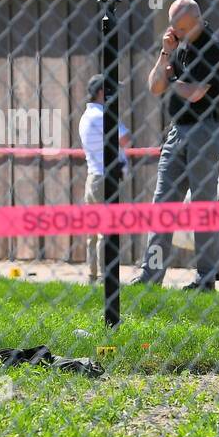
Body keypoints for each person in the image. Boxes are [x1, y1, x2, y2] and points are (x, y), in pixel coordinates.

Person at [131, 0, 219, 291]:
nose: (177, 33)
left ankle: (205, 279)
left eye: (181, 28)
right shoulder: (177, 48)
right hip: (177, 130)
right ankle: (151, 276)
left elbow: (197, 93)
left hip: (207, 129)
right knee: (163, 204)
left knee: (202, 205)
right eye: (174, 28)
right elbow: (154, 86)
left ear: (195, 21)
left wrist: (173, 80)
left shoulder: (215, 48)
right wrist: (165, 54)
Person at [79, 74, 131, 283]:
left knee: (93, 232)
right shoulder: (103, 115)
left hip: (93, 177)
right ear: (102, 92)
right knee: (105, 231)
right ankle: (104, 276)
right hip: (105, 179)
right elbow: (126, 140)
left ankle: (93, 274)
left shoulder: (87, 115)